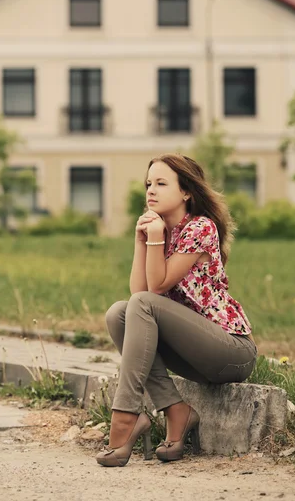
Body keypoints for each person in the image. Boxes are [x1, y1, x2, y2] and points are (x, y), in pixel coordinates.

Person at [96, 153, 257, 468]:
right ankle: (176, 410)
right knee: (119, 313)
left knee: (138, 306)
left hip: (232, 352)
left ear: (186, 192)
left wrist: (154, 238)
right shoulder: (161, 232)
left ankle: (125, 417)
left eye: (161, 183)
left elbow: (153, 291)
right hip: (194, 355)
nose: (150, 191)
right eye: (148, 184)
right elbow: (139, 294)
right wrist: (141, 241)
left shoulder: (201, 227)